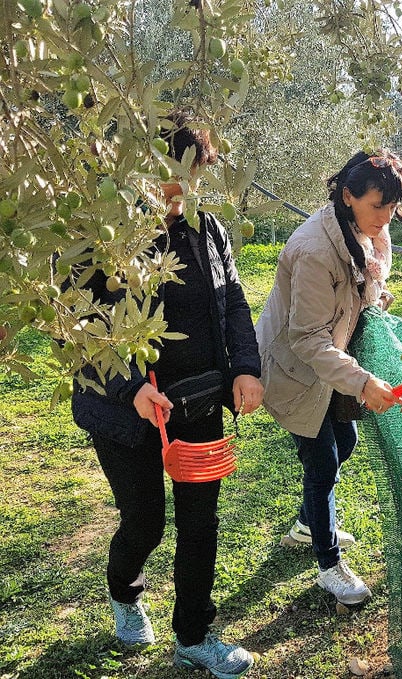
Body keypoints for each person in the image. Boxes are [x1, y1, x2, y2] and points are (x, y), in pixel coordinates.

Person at [69, 111, 262, 679]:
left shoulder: (209, 230)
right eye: (168, 177)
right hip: (124, 412)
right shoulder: (97, 238)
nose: (180, 192)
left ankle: (194, 634)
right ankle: (125, 595)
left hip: (197, 403)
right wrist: (129, 390)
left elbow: (232, 305)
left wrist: (245, 368)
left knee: (201, 523)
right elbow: (76, 328)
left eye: (192, 178)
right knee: (146, 521)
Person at [255, 149, 402, 605]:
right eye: (376, 206)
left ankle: (308, 523)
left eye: (391, 207)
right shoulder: (314, 250)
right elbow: (306, 338)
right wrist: (362, 382)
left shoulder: (365, 234)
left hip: (329, 362)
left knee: (345, 444)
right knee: (322, 459)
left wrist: (373, 303)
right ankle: (328, 565)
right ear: (348, 196)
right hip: (294, 368)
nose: (385, 218)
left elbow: (358, 293)